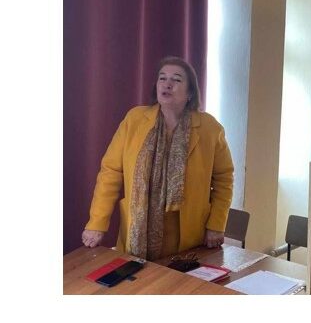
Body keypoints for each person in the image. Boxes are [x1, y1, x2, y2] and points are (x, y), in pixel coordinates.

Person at [81, 56, 234, 260]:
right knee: (139, 279)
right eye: (162, 78)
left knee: (177, 280)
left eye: (176, 79)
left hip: (188, 234)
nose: (167, 84)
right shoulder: (135, 119)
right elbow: (111, 172)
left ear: (190, 92)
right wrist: (97, 223)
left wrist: (216, 225)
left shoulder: (210, 128)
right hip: (138, 229)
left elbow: (224, 179)